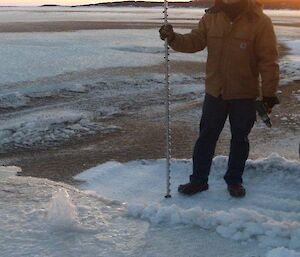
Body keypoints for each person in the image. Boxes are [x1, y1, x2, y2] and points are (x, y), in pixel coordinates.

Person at [159, 0, 280, 197]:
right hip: (215, 92)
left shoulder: (260, 21)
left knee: (240, 139)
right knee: (206, 137)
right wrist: (172, 38)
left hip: (245, 94)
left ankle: (234, 180)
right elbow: (194, 41)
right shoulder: (211, 17)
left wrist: (269, 95)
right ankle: (198, 180)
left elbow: (269, 61)